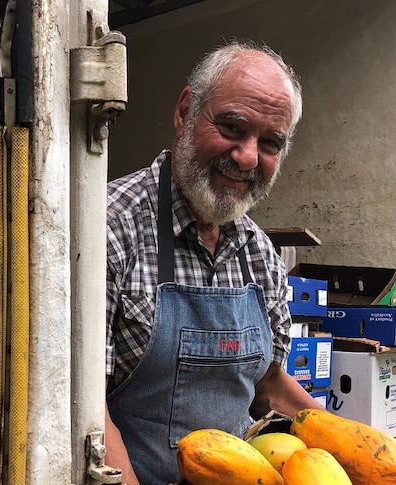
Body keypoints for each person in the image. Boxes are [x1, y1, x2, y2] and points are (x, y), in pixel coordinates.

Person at [104, 40, 324, 485]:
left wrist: (360, 446)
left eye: (269, 142)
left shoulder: (260, 254)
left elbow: (267, 385)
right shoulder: (110, 230)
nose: (246, 156)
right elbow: (81, 405)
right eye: (231, 127)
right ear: (185, 111)